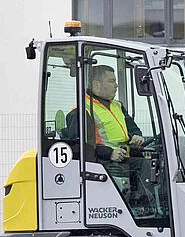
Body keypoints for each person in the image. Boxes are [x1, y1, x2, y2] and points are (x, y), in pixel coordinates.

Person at [64, 65, 155, 210]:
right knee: (144, 165)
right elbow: (80, 146)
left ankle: (144, 205)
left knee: (152, 162)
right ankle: (145, 206)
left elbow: (132, 127)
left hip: (122, 158)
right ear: (96, 84)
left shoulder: (117, 105)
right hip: (102, 164)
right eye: (111, 81)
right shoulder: (81, 111)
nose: (116, 85)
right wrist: (109, 153)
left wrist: (136, 136)